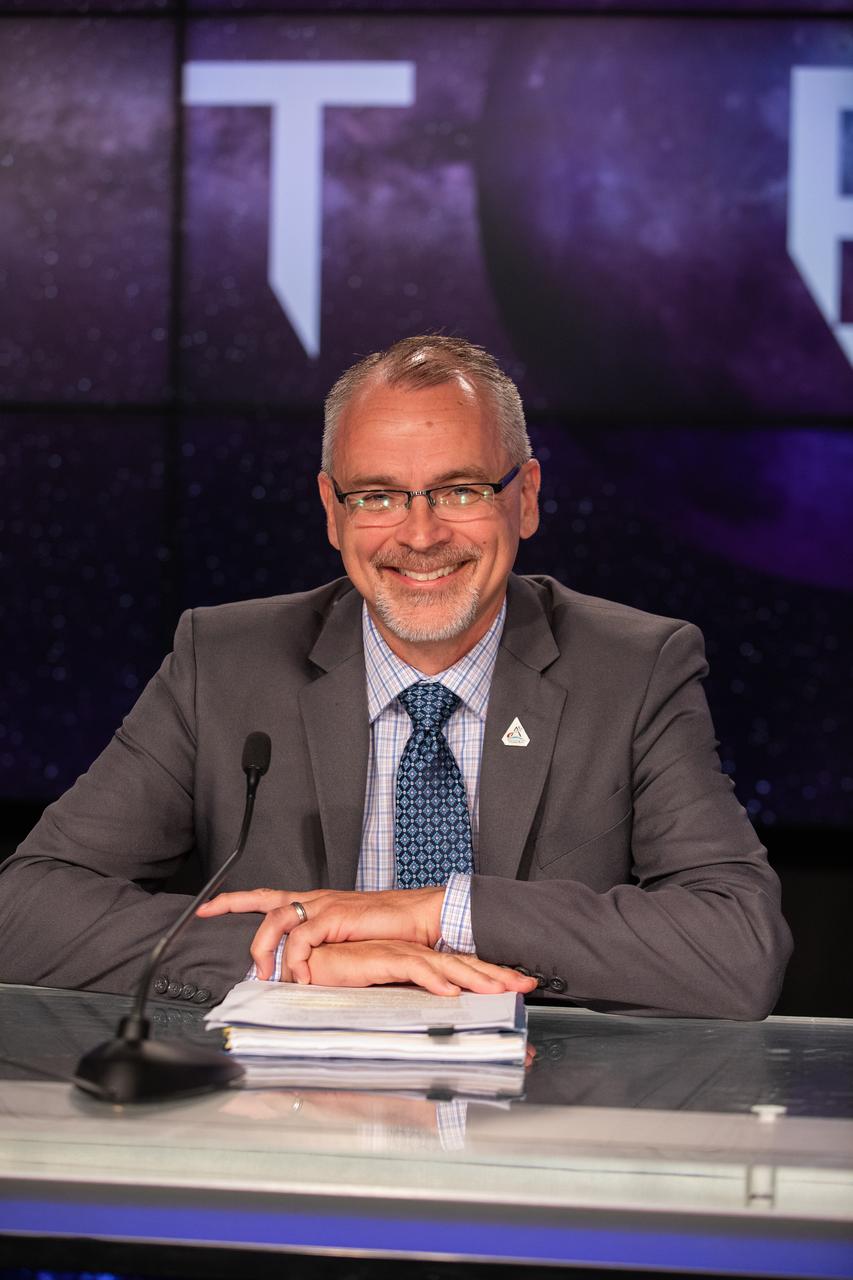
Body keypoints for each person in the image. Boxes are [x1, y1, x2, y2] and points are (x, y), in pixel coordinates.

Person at [0, 336, 791, 1017]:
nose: (419, 535)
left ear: (524, 499)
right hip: (284, 1121)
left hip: (537, 1113)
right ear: (332, 511)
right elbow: (23, 908)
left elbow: (736, 949)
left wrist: (435, 913)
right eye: (377, 496)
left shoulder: (633, 669)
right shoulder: (225, 662)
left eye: (459, 490)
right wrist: (289, 959)